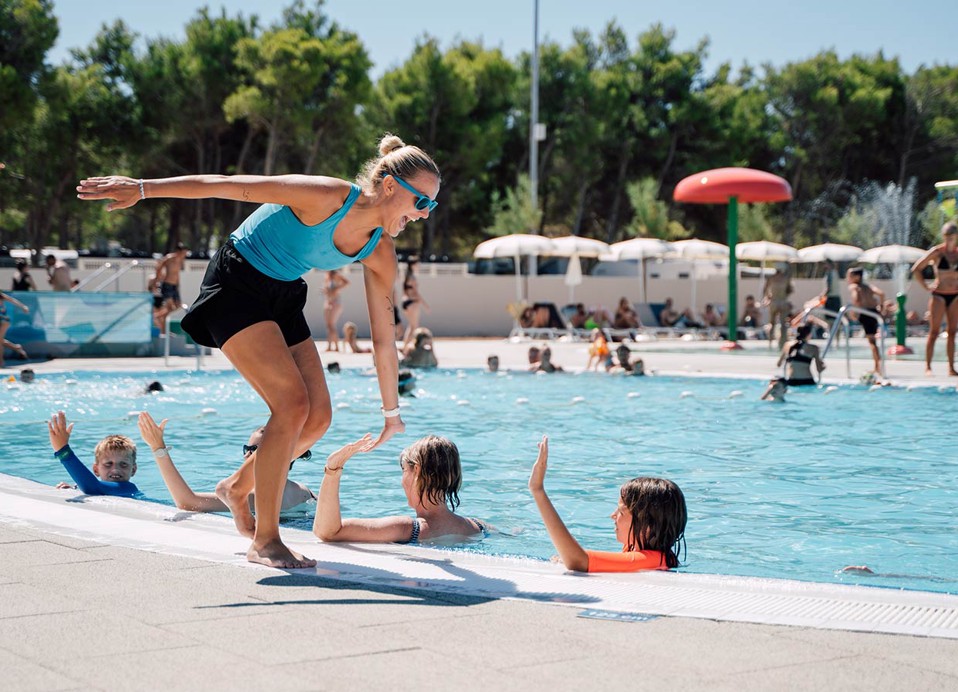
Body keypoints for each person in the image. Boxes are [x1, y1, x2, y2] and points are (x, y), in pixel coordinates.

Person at [77, 133, 440, 568]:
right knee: (291, 404)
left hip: (282, 292)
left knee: (317, 418)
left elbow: (384, 338)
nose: (424, 214)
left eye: (432, 206)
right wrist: (141, 188)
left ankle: (235, 488)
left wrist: (391, 413)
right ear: (390, 186)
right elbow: (228, 185)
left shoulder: (380, 249)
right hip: (237, 280)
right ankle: (265, 540)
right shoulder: (327, 196)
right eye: (422, 201)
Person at [528, 436, 686, 573]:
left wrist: (538, 490)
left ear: (647, 527)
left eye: (621, 511)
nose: (613, 515)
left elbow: (578, 562)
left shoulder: (652, 560)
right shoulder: (636, 548)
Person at [313, 434, 486, 544]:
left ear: (416, 470)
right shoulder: (478, 526)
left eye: (404, 470)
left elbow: (328, 532)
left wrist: (333, 469)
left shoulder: (407, 529)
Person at [137, 412, 314, 513]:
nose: (246, 457)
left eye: (254, 451)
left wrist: (158, 448)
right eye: (246, 449)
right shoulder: (304, 491)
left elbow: (188, 502)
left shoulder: (254, 497)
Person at [48, 411, 141, 498]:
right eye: (108, 464)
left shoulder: (129, 488)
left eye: (123, 464)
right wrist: (73, 489)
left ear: (133, 470)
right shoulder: (100, 488)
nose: (115, 470)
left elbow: (93, 487)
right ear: (96, 470)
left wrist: (63, 451)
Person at [911, 221, 958, 376]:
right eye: (946, 236)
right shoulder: (937, 252)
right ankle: (928, 367)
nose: (949, 239)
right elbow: (916, 269)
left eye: (951, 236)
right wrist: (925, 286)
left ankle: (951, 367)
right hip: (939, 295)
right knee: (934, 332)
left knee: (952, 332)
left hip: (955, 295)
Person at [847, 267, 885, 376]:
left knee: (872, 342)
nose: (848, 278)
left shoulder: (854, 286)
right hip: (874, 312)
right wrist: (881, 307)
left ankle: (878, 367)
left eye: (850, 276)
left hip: (865, 313)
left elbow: (856, 299)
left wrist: (854, 312)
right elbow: (881, 294)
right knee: (873, 341)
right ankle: (878, 366)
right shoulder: (868, 287)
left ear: (857, 277)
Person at [154, 242, 190, 315]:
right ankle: (157, 316)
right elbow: (159, 268)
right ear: (178, 251)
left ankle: (159, 315)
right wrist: (157, 280)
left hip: (174, 285)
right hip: (167, 284)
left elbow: (177, 273)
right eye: (183, 253)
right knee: (170, 306)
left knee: (178, 305)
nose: (184, 255)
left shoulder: (181, 260)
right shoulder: (169, 258)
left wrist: (178, 285)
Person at [762, 265, 793, 349]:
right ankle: (782, 342)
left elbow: (765, 289)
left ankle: (770, 342)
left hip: (774, 301)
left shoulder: (771, 278)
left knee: (772, 323)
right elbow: (790, 290)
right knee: (783, 323)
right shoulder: (786, 279)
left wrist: (768, 297)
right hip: (782, 301)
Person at [401, 258, 430, 349]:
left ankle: (405, 346)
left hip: (405, 302)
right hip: (412, 302)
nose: (418, 266)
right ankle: (410, 347)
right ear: (413, 265)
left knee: (411, 326)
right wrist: (425, 305)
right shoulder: (412, 277)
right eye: (417, 264)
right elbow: (416, 293)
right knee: (415, 327)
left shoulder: (406, 276)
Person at [0, 290, 30, 367]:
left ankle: (1, 362)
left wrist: (23, 307)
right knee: (1, 340)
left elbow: (12, 300)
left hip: (3, 320)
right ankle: (16, 347)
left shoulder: (1, 296)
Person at [322, 269, 349, 351]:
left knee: (331, 325)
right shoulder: (327, 277)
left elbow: (346, 282)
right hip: (329, 302)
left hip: (335, 303)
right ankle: (330, 346)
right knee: (329, 325)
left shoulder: (335, 275)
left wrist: (336, 289)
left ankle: (336, 346)